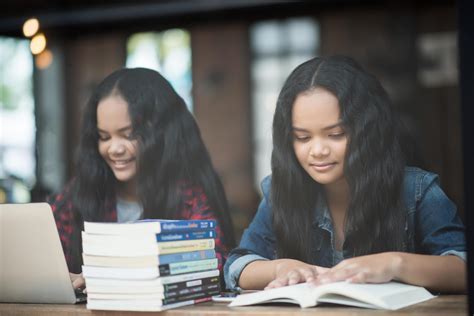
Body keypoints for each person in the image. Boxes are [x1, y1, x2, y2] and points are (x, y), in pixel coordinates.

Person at [224, 55, 466, 293]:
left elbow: (462, 267)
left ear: (366, 130)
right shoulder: (282, 191)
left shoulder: (417, 191)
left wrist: (394, 264)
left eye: (336, 134)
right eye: (303, 137)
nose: (318, 151)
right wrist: (279, 268)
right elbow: (237, 266)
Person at [48, 68, 235, 290]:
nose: (114, 149)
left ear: (161, 133)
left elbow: (219, 264)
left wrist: (115, 273)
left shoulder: (190, 196)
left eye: (129, 135)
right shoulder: (80, 193)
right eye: (104, 137)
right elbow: (40, 254)